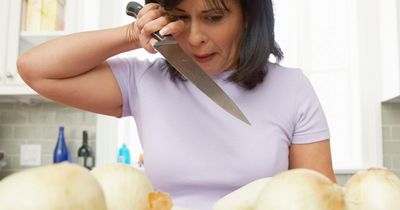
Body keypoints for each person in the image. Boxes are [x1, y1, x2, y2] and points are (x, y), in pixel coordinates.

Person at [17, 0, 336, 209]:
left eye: (213, 17)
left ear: (247, 17)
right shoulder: (143, 80)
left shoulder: (292, 88)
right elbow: (35, 69)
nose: (195, 36)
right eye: (180, 18)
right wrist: (132, 33)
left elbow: (321, 196)